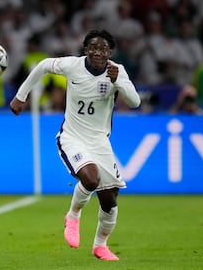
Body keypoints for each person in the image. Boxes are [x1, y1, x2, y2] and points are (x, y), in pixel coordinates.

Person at [9, 29, 141, 261]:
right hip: (72, 137)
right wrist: (21, 95)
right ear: (85, 49)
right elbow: (42, 66)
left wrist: (118, 81)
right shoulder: (72, 65)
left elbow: (135, 102)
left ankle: (100, 246)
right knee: (91, 179)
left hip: (100, 141)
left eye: (102, 48)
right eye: (93, 47)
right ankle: (73, 215)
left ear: (109, 52)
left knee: (110, 199)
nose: (97, 52)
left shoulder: (117, 71)